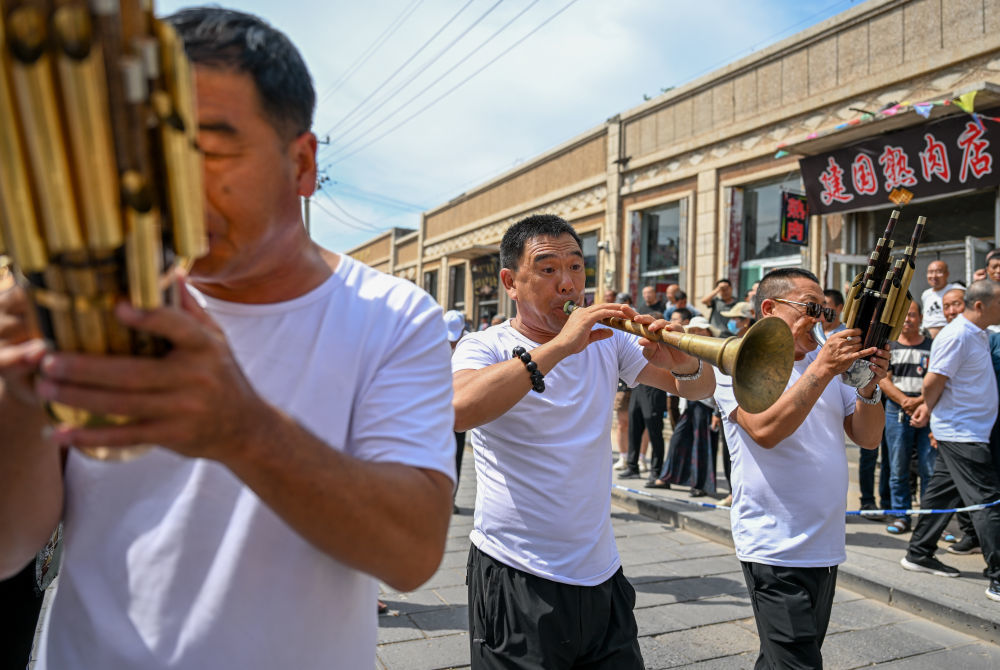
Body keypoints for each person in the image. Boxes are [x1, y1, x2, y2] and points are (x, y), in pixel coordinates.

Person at [0, 9, 456, 668]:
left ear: (301, 163)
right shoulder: (104, 301)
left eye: (208, 151)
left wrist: (240, 427)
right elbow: (12, 544)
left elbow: (412, 553)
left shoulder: (392, 315)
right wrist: (17, 396)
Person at [452, 214, 714, 669]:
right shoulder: (484, 345)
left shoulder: (608, 341)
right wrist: (559, 347)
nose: (568, 284)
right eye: (549, 269)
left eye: (576, 267)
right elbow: (459, 409)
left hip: (602, 574)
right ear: (511, 282)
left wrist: (681, 361)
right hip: (516, 571)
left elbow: (699, 388)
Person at [715, 268, 888, 668]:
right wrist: (823, 368)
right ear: (769, 308)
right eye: (810, 308)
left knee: (783, 660)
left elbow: (868, 437)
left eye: (825, 310)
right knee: (798, 663)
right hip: (774, 544)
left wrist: (869, 386)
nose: (821, 319)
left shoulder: (823, 359)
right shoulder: (737, 358)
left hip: (825, 544)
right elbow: (765, 431)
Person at [901, 279, 1000, 603]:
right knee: (987, 501)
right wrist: (927, 408)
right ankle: (998, 576)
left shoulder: (978, 333)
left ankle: (918, 552)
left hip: (965, 430)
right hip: (963, 433)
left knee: (941, 496)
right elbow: (933, 381)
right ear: (981, 305)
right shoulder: (957, 335)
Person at [879, 301, 934, 535]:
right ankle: (900, 515)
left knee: (929, 468)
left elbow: (938, 378)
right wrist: (904, 401)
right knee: (898, 466)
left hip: (928, 410)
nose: (908, 320)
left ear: (921, 318)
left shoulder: (932, 346)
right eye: (904, 315)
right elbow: (883, 379)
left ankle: (929, 520)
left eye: (912, 315)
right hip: (896, 411)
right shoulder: (889, 347)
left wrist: (920, 401)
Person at [649, 317, 720, 496]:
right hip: (689, 403)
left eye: (701, 329)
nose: (697, 332)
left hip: (707, 405)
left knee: (702, 445)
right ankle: (667, 477)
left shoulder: (716, 349)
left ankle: (700, 485)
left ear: (709, 332)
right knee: (678, 439)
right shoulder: (688, 349)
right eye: (694, 330)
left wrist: (717, 412)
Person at [445, 310, 470, 513]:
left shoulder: (471, 345)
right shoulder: (435, 342)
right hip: (438, 411)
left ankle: (449, 498)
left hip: (459, 411)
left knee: (456, 456)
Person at [921, 260, 962, 338]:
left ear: (947, 274)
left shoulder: (956, 290)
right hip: (926, 338)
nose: (934, 276)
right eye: (930, 272)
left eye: (939, 272)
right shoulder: (926, 294)